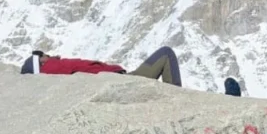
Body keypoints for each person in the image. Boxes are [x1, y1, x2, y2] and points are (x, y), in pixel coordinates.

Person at [20, 47, 182, 86]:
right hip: (124, 80)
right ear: (41, 63)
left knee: (164, 54)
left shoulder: (55, 67)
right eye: (43, 55)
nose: (48, 55)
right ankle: (177, 95)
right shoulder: (53, 67)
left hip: (118, 78)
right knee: (165, 53)